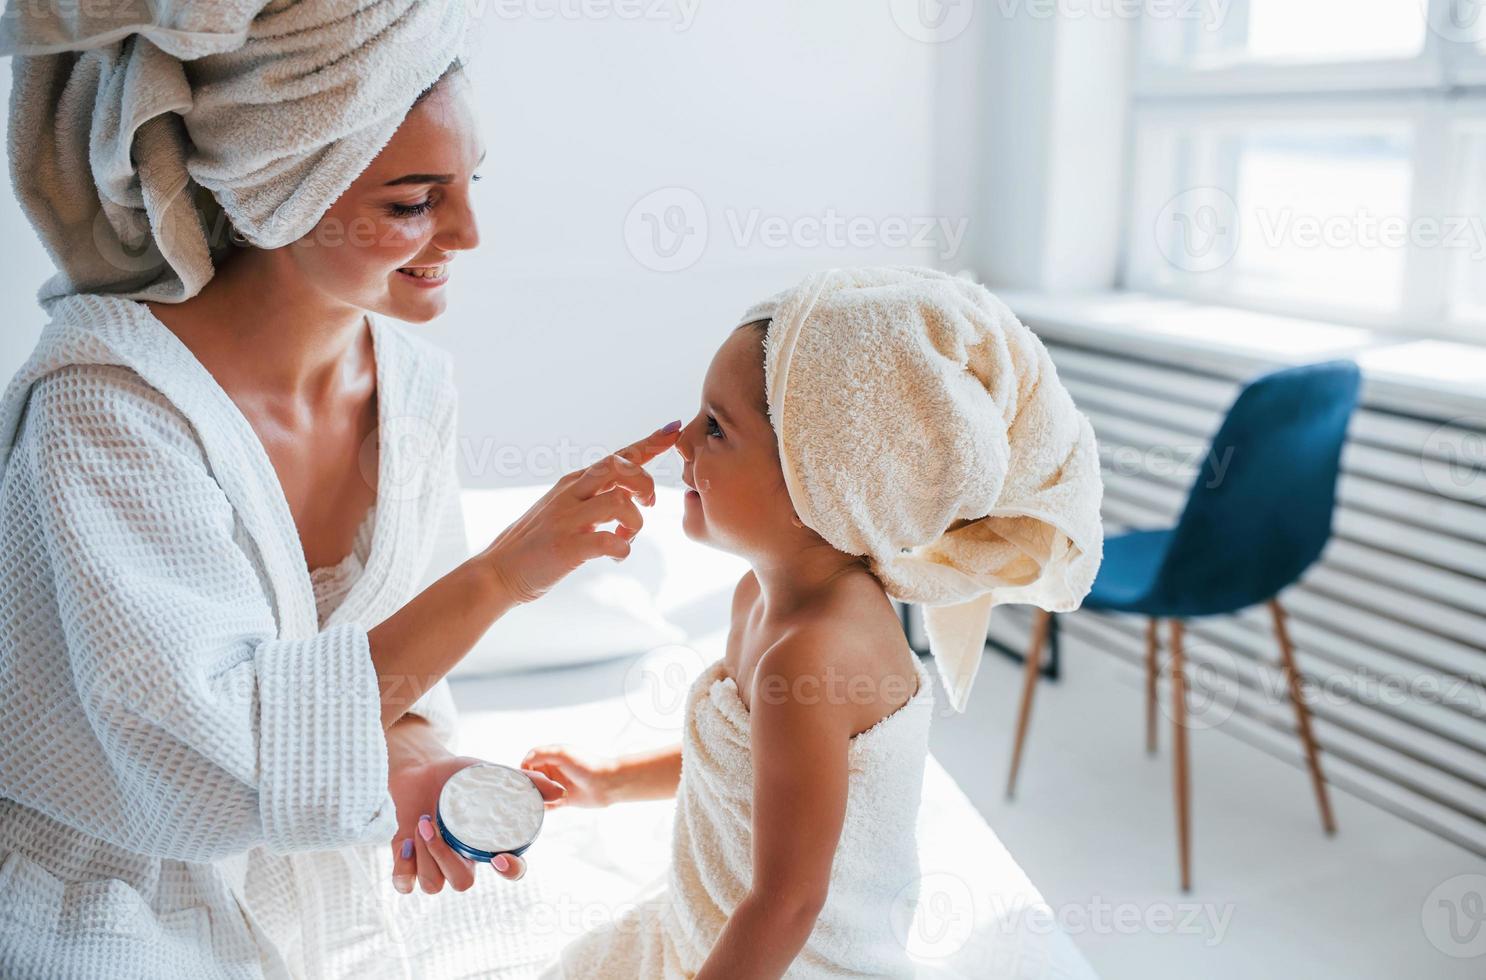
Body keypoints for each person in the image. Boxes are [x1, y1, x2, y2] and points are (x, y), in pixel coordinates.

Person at [0, 2, 676, 976]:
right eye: (414, 200)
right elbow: (203, 751)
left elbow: (390, 692)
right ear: (280, 188)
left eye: (470, 182)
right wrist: (499, 576)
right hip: (114, 898)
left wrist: (416, 770)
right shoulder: (103, 414)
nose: (470, 233)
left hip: (322, 879)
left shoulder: (413, 389)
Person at [523, 267, 1105, 978]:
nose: (682, 445)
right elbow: (752, 767)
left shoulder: (814, 658)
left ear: (817, 484)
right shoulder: (758, 598)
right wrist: (608, 780)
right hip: (715, 933)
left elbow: (788, 904)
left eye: (716, 428)